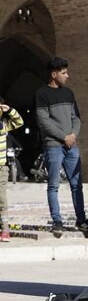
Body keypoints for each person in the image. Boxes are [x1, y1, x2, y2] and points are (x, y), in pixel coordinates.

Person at [35, 57, 88, 235]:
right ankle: (57, 221)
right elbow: (43, 121)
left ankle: (82, 220)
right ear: (54, 74)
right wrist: (63, 136)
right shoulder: (42, 94)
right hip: (54, 146)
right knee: (54, 185)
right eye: (64, 73)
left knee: (77, 184)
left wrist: (73, 135)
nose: (67, 76)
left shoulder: (69, 94)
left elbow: (76, 117)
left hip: (71, 146)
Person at [0, 97, 24, 242]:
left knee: (2, 199)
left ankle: (5, 230)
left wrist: (10, 110)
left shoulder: (4, 124)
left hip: (1, 168)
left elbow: (19, 122)